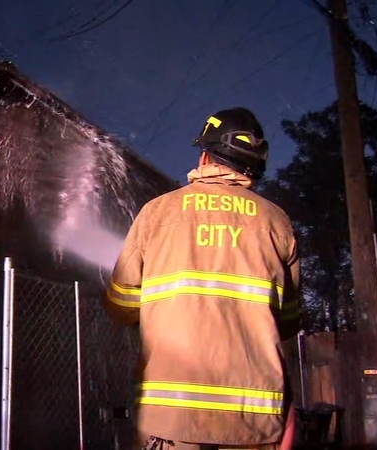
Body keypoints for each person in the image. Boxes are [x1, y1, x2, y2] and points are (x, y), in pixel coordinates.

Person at [104, 107, 300, 450]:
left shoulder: (157, 213)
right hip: (252, 419)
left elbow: (121, 306)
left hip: (168, 418)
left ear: (205, 155)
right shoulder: (277, 223)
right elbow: (288, 321)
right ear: (253, 165)